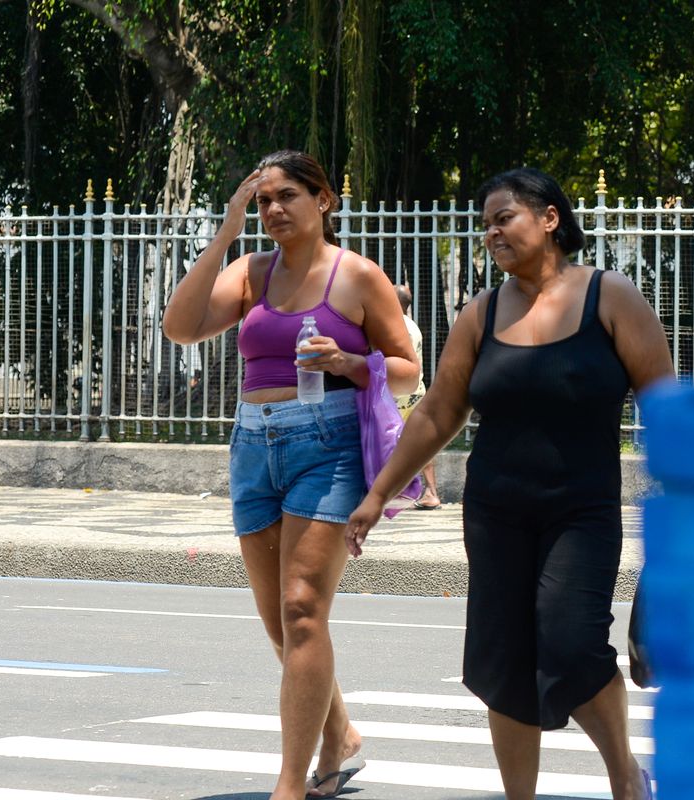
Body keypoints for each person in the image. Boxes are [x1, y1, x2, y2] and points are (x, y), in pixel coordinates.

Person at [346, 167, 673, 800]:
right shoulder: (482, 313)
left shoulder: (611, 299)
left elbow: (667, 407)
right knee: (502, 663)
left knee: (572, 642)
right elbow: (439, 411)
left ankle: (625, 776)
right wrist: (379, 491)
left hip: (582, 511)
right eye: (486, 224)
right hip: (496, 512)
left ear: (550, 218)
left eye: (505, 218)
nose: (491, 232)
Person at [162, 150, 418, 800]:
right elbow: (180, 327)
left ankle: (290, 785)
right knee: (281, 621)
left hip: (328, 443)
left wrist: (350, 362)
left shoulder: (358, 277)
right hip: (254, 444)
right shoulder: (250, 271)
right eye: (264, 199)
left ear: (324, 200)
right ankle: (340, 735)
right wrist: (225, 231)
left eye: (287, 197)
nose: (273, 210)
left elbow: (409, 368)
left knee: (304, 607)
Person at [392, 283, 442, 509]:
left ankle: (388, 493)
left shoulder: (394, 327)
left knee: (383, 441)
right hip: (415, 391)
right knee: (420, 444)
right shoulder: (412, 326)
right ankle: (431, 492)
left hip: (396, 395)